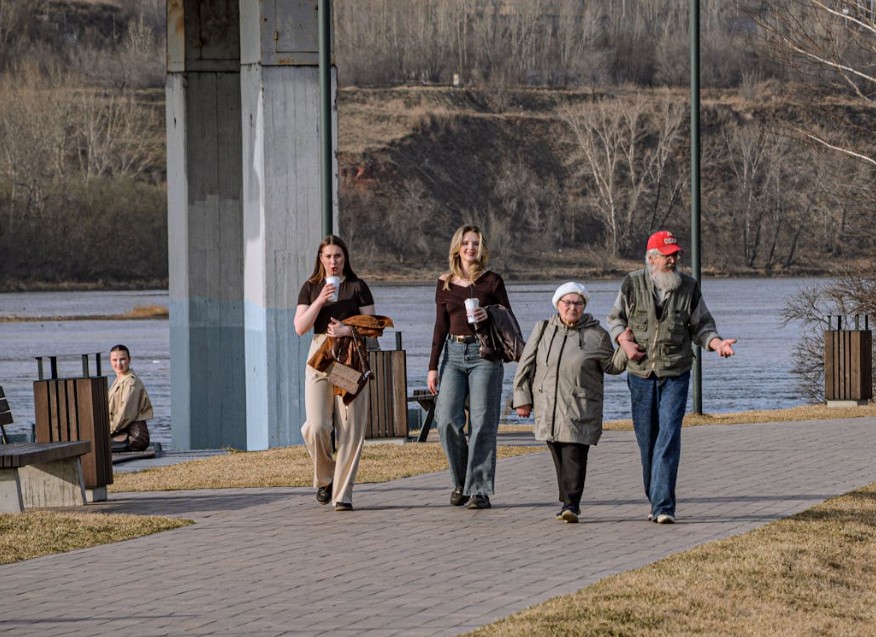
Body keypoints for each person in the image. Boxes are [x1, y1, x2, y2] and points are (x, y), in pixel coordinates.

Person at [607, 230, 737, 524]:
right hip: (640, 374)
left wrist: (717, 344)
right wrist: (624, 343)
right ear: (652, 259)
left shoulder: (689, 287)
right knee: (647, 441)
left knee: (668, 436)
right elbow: (615, 320)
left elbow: (702, 326)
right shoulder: (631, 283)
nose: (674, 260)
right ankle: (655, 499)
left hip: (676, 373)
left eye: (677, 255)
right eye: (668, 256)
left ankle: (664, 506)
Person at [512, 282, 626, 523]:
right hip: (547, 407)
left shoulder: (597, 335)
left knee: (574, 453)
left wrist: (626, 347)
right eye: (568, 302)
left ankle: (571, 504)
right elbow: (526, 366)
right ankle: (567, 500)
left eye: (578, 303)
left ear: (584, 306)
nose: (573, 307)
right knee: (559, 454)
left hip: (579, 407)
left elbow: (613, 366)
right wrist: (522, 399)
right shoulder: (543, 330)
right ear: (558, 304)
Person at [428, 224, 511, 510]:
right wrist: (433, 367)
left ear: (482, 248)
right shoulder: (445, 282)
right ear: (456, 248)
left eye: (475, 243)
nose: (470, 248)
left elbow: (507, 318)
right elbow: (439, 327)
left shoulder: (492, 281)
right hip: (452, 353)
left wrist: (486, 313)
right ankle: (461, 481)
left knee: (482, 422)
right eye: (465, 243)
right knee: (447, 419)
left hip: (484, 354)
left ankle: (479, 490)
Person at [295, 235, 376, 512]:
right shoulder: (310, 287)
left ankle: (343, 495)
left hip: (349, 358)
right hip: (321, 357)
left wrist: (347, 330)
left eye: (338, 256)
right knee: (316, 426)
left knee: (349, 427)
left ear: (345, 259)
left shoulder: (358, 286)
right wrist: (320, 300)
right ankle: (326, 478)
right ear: (321, 258)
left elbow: (373, 327)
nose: (333, 261)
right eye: (328, 256)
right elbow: (300, 327)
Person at [108, 344, 153, 452]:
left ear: (129, 359)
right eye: (115, 360)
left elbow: (125, 414)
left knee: (96, 446)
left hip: (134, 437)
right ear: (110, 361)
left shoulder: (130, 382)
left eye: (122, 359)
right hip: (122, 432)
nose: (118, 364)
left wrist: (108, 431)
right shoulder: (119, 380)